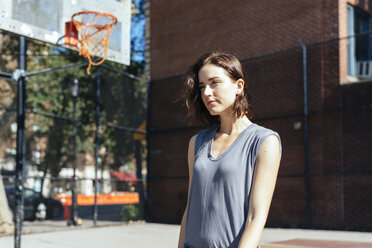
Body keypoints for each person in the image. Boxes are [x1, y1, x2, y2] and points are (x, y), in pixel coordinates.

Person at [177, 52, 282, 248]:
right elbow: (190, 208)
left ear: (238, 86)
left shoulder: (265, 141)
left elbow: (256, 216)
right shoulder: (196, 142)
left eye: (214, 82)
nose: (206, 92)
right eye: (202, 87)